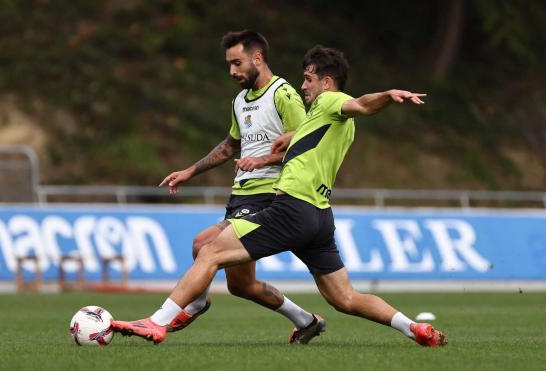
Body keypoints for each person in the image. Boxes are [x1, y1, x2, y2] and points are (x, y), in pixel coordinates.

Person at [114, 45, 448, 347]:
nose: (303, 85)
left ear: (327, 82)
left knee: (210, 251)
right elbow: (313, 139)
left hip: (292, 208)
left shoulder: (330, 101)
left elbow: (359, 104)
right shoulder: (324, 118)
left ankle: (157, 323)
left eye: (308, 79)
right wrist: (269, 153)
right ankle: (413, 328)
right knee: (345, 298)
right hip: (319, 217)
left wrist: (388, 95)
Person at [158, 30, 324, 344]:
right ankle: (307, 320)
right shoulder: (240, 101)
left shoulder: (283, 94)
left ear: (257, 58)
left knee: (203, 244)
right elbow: (229, 146)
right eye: (229, 64)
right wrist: (189, 171)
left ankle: (194, 303)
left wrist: (263, 161)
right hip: (239, 196)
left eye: (237, 63)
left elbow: (306, 142)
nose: (232, 71)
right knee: (242, 286)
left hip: (269, 196)